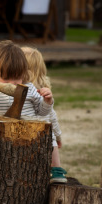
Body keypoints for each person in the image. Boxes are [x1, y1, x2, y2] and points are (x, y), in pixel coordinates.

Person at [0, 39, 55, 152]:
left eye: (17, 78)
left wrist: (47, 101)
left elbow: (41, 112)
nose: (12, 83)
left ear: (23, 73)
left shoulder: (30, 88)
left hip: (27, 137)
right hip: (1, 136)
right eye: (6, 78)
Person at [21, 45, 67, 184]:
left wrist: (57, 135)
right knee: (51, 138)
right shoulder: (35, 92)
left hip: (34, 135)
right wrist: (58, 135)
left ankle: (56, 170)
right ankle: (56, 169)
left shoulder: (42, 94)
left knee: (49, 137)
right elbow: (53, 118)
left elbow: (51, 116)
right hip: (33, 136)